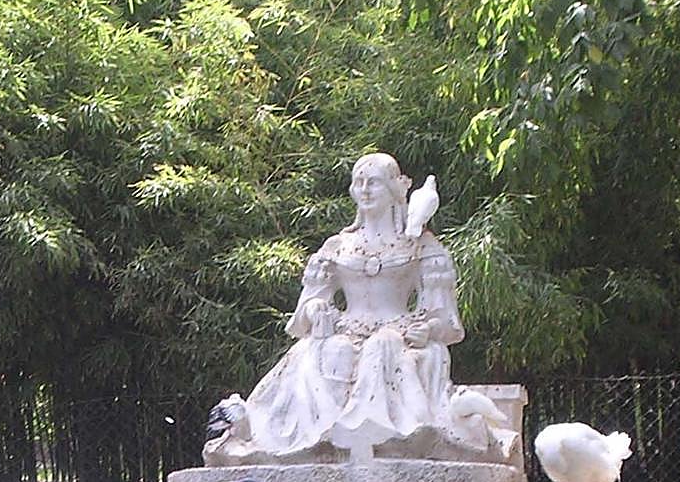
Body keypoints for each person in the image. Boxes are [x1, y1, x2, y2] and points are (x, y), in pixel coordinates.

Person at [205, 152, 478, 464]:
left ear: (393, 189)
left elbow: (442, 316)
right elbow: (308, 304)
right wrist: (317, 311)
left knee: (383, 348)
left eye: (373, 182)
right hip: (345, 331)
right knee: (323, 352)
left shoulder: (421, 246)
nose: (364, 190)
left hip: (399, 335)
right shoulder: (337, 246)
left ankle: (381, 437)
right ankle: (319, 442)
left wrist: (427, 328)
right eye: (358, 182)